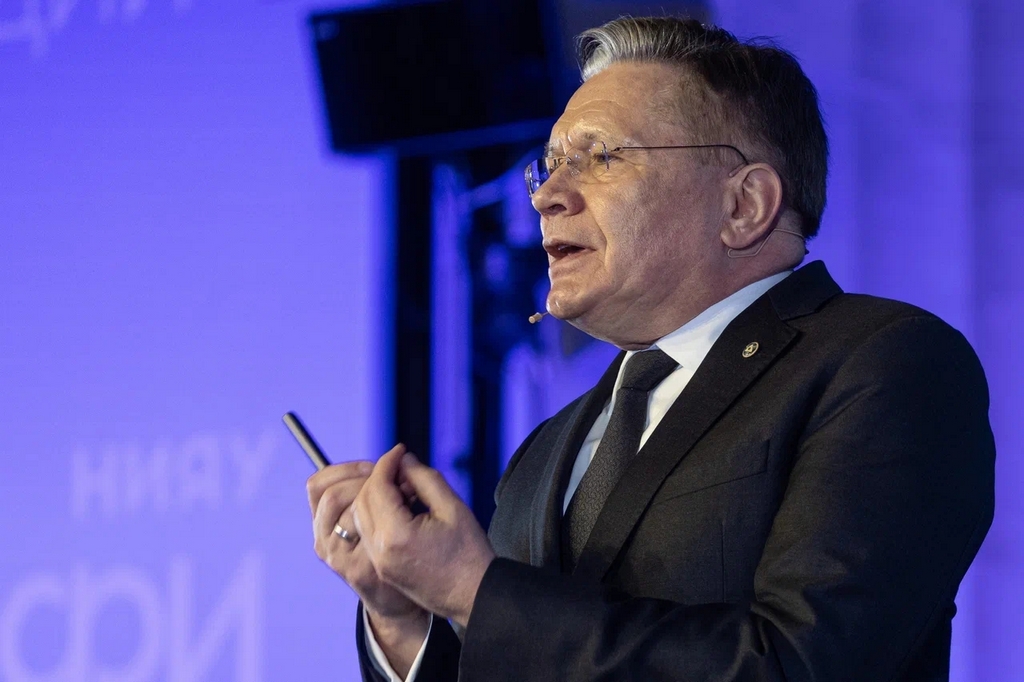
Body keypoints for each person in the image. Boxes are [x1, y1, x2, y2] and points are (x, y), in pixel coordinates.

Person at [306, 16, 995, 682]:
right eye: (549, 166)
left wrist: (474, 591)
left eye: (601, 157)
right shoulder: (546, 450)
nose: (546, 197)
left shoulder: (884, 364)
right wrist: (403, 620)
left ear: (744, 206)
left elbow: (798, 665)